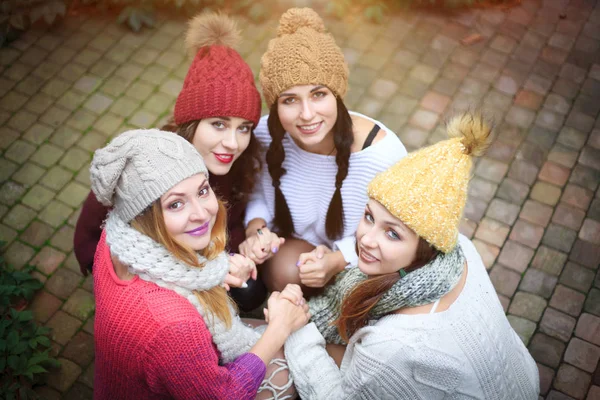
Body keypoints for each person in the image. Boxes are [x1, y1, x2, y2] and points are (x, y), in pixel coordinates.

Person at [280, 113, 540, 399]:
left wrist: (295, 331)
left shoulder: (391, 347)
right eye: (369, 216)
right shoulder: (461, 248)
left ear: (425, 247)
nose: (366, 239)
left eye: (392, 234)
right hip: (520, 379)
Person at [91, 128, 309, 399]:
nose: (202, 213)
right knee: (298, 366)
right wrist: (279, 329)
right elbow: (223, 395)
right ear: (142, 217)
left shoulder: (115, 238)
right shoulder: (172, 324)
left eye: (203, 190)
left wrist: (219, 269)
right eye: (175, 205)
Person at [74, 12, 267, 311]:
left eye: (243, 128)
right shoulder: (147, 163)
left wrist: (239, 252)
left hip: (199, 257)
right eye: (219, 124)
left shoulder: (235, 165)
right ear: (191, 122)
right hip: (148, 273)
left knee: (253, 292)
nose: (233, 142)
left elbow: (231, 221)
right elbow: (91, 228)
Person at [239, 8, 407, 295]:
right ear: (275, 106)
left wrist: (339, 260)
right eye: (290, 99)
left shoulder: (381, 155)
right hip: (299, 248)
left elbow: (397, 232)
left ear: (337, 95)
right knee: (283, 272)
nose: (307, 114)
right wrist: (255, 231)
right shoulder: (266, 134)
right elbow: (256, 192)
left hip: (368, 256)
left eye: (318, 94)